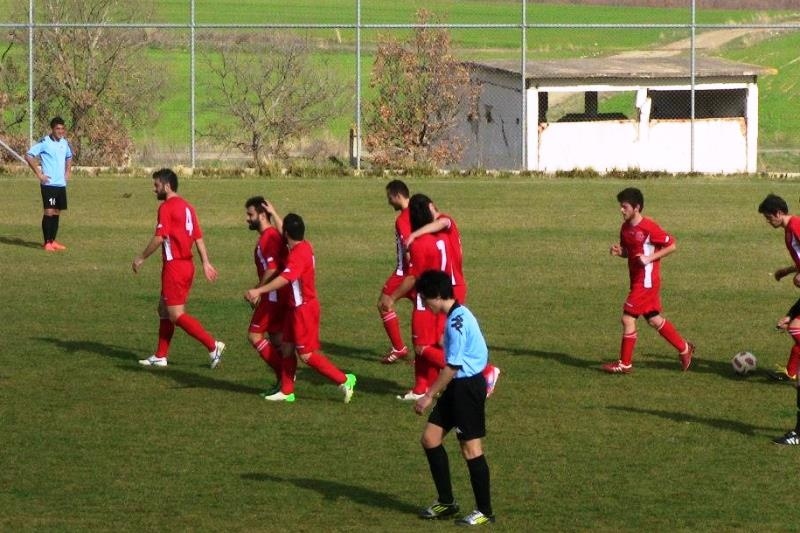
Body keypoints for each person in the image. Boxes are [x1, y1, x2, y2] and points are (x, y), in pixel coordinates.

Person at [245, 213, 356, 403]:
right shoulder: (304, 245)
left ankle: (345, 380)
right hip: (293, 309)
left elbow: (284, 279)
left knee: (306, 355)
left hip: (303, 310)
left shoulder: (297, 255)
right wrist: (273, 212)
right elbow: (285, 231)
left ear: (286, 233)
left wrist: (259, 291)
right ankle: (287, 391)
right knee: (287, 349)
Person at [413, 269, 495, 527]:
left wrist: (428, 395)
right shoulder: (457, 316)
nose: (425, 304)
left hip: (466, 388)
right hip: (457, 388)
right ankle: (446, 502)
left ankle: (484, 511)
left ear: (437, 295)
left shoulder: (456, 321)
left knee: (470, 449)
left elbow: (453, 366)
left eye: (426, 299)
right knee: (430, 439)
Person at [132, 168, 225, 368]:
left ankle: (212, 345)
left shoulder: (166, 208)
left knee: (176, 315)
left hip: (175, 267)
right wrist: (206, 262)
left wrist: (141, 258)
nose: (154, 190)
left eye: (156, 185)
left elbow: (159, 237)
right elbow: (198, 237)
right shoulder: (188, 207)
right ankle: (160, 355)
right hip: (187, 265)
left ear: (167, 186)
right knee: (163, 309)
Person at [603, 187, 694, 374]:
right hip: (637, 279)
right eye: (620, 206)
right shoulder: (625, 228)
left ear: (636, 207)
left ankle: (625, 364)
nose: (621, 210)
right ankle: (685, 349)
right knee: (653, 319)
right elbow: (630, 252)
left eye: (625, 207)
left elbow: (672, 245)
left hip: (646, 282)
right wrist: (621, 252)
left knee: (627, 318)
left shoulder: (649, 227)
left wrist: (649, 258)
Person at [385, 193, 455, 401]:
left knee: (422, 347)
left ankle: (466, 371)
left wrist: (392, 297)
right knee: (430, 344)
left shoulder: (419, 243)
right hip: (442, 298)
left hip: (427, 301)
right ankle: (420, 388)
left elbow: (413, 277)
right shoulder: (440, 236)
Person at [758, 193, 800, 445]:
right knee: (794, 326)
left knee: (794, 326)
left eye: (767, 217)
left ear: (777, 213)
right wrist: (790, 271)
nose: (767, 222)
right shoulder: (789, 231)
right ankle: (791, 372)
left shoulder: (795, 226)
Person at [244, 196, 289, 397]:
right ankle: (284, 381)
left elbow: (271, 268)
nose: (247, 219)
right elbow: (284, 234)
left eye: (250, 214)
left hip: (272, 296)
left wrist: (258, 291)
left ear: (262, 215)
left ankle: (285, 376)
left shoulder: (268, 238)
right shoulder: (273, 234)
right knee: (277, 339)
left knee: (254, 336)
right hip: (279, 294)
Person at [377, 180, 414, 364]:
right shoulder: (418, 210)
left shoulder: (402, 219)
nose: (388, 201)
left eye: (389, 197)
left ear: (398, 196)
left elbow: (408, 246)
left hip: (405, 273)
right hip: (421, 271)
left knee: (384, 304)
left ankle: (400, 348)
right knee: (429, 314)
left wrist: (412, 270)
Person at [25, 116, 73, 251]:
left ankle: (53, 241)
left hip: (61, 184)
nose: (60, 131)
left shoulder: (65, 143)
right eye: (58, 129)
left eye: (62, 129)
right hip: (49, 184)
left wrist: (67, 172)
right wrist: (39, 174)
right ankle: (46, 242)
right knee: (49, 211)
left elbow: (69, 157)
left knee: (57, 212)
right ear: (52, 129)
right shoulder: (45, 142)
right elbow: (28, 156)